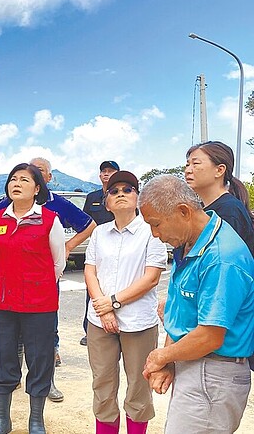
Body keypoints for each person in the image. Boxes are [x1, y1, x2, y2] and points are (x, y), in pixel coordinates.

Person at [139, 175, 254, 434]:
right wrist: (169, 359)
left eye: (156, 225)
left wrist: (160, 356)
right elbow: (181, 313)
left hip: (213, 373)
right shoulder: (194, 243)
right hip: (197, 367)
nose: (155, 235)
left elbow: (210, 336)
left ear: (183, 212)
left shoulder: (221, 257)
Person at [0, 157, 96, 402]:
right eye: (15, 178)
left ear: (44, 180)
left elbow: (88, 226)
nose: (20, 181)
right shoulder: (6, 205)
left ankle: (47, 384)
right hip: (9, 290)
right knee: (10, 340)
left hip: (42, 286)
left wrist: (67, 248)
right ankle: (11, 380)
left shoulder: (58, 206)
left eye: (36, 173)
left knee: (45, 337)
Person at [0, 163, 66, 434]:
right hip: (3, 301)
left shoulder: (49, 219)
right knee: (4, 356)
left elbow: (58, 263)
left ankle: (36, 421)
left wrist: (36, 285)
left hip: (39, 304)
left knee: (39, 358)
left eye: (24, 179)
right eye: (13, 179)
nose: (16, 183)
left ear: (37, 188)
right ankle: (1, 420)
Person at [84, 170, 167, 434]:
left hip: (138, 323)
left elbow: (151, 277)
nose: (120, 194)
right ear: (106, 201)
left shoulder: (151, 231)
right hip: (100, 321)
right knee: (103, 385)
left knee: (138, 386)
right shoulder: (99, 234)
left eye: (127, 190)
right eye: (114, 191)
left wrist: (114, 303)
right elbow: (90, 271)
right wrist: (103, 308)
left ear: (138, 198)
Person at [80, 160, 120, 346]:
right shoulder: (92, 197)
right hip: (97, 247)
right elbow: (85, 221)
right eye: (104, 171)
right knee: (93, 286)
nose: (106, 174)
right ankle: (90, 330)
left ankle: (117, 325)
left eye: (111, 171)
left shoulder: (122, 194)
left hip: (119, 245)